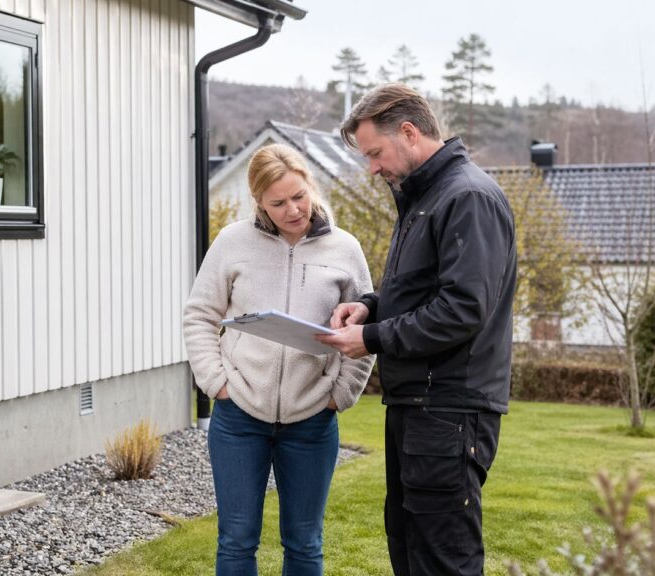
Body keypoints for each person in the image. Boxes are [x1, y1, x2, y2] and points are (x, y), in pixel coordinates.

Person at [316, 83, 517, 576]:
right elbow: (422, 291)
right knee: (409, 550)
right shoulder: (425, 198)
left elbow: (462, 309)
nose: (373, 168)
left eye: (376, 153)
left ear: (408, 132)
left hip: (448, 410)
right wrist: (369, 308)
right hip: (419, 407)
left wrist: (372, 339)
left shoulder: (467, 197)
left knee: (443, 560)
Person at [183, 143, 374, 576]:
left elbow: (364, 328)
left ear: (310, 186)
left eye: (299, 196)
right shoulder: (233, 242)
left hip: (312, 420)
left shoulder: (344, 249)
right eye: (278, 202)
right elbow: (199, 315)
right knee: (236, 541)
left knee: (305, 544)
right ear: (259, 203)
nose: (293, 210)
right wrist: (218, 384)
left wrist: (340, 394)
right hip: (238, 418)